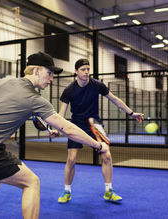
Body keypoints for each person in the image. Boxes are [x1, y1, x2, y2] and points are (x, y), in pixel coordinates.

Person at [0, 52, 110, 219]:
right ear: (37, 70)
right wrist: (98, 145)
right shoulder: (35, 99)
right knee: (31, 182)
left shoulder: (3, 81)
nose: (51, 79)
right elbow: (68, 129)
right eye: (49, 73)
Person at [57, 58, 144, 204]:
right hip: (77, 125)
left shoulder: (97, 85)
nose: (86, 72)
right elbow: (61, 114)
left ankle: (109, 191)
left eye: (88, 69)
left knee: (107, 155)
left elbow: (115, 99)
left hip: (95, 123)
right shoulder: (69, 90)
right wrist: (57, 128)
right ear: (76, 72)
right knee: (71, 159)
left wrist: (131, 113)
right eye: (83, 69)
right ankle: (67, 191)